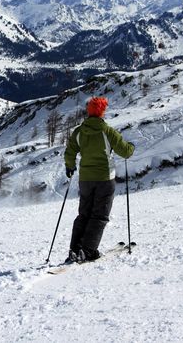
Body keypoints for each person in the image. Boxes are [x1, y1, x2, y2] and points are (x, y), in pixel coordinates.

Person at [64, 97, 134, 263]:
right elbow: (125, 152)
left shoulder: (79, 131)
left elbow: (70, 151)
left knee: (84, 214)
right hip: (104, 178)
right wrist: (131, 147)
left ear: (89, 111)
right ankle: (88, 251)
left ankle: (75, 249)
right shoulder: (107, 131)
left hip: (85, 179)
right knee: (100, 215)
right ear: (102, 112)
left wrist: (70, 166)